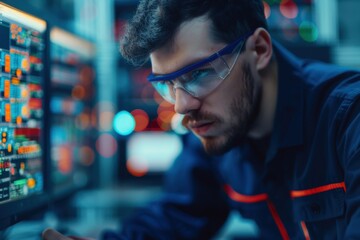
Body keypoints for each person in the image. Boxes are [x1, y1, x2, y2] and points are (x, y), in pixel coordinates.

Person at [43, 0, 360, 239]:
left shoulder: (348, 120)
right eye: (166, 84)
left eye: (198, 74)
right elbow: (175, 217)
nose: (181, 106)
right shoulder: (220, 132)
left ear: (260, 49)